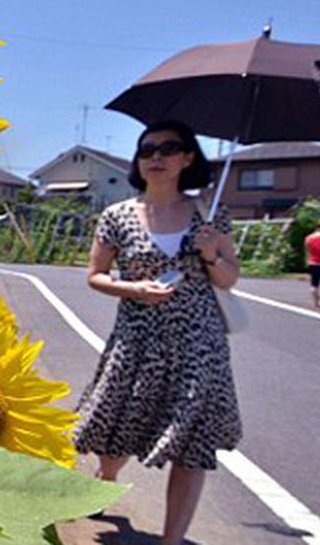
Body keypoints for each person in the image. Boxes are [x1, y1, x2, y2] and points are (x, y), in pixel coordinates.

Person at [74, 121, 242, 545]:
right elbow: (95, 276)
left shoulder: (209, 214)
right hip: (137, 341)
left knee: (193, 442)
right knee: (118, 430)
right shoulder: (117, 216)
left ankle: (171, 540)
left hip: (198, 345)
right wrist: (132, 288)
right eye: (147, 149)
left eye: (169, 148)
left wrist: (210, 254)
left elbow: (228, 278)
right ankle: (106, 476)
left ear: (188, 158)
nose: (156, 157)